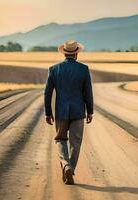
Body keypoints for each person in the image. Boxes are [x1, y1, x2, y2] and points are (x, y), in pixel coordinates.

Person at [44, 40, 94, 185]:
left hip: (60, 112)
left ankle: (65, 165)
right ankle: (70, 167)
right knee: (76, 142)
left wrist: (48, 113)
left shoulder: (54, 69)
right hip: (78, 111)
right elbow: (88, 93)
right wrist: (90, 111)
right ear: (76, 53)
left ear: (64, 52)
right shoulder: (84, 69)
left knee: (60, 139)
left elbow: (47, 93)